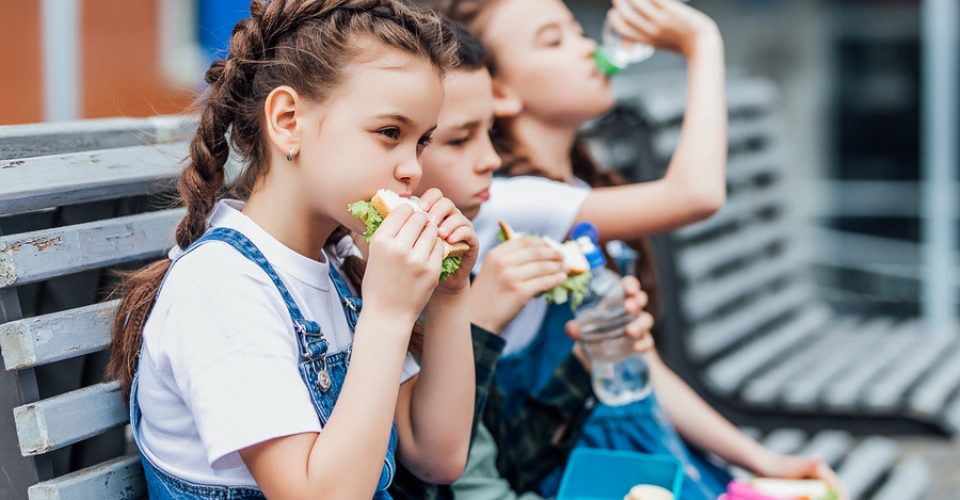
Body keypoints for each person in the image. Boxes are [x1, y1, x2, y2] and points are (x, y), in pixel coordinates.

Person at [441, 0, 846, 498]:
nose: (587, 48)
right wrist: (701, 46)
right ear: (497, 90)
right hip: (587, 466)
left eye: (576, 31)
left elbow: (637, 361)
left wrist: (761, 460)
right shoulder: (508, 203)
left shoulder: (563, 188)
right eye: (554, 40)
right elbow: (697, 195)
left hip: (634, 445)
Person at [106, 1, 477, 498]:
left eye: (421, 141)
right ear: (287, 121)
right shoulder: (221, 289)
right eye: (390, 132)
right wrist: (387, 314)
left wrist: (450, 297)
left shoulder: (338, 266)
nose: (412, 168)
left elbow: (436, 456)